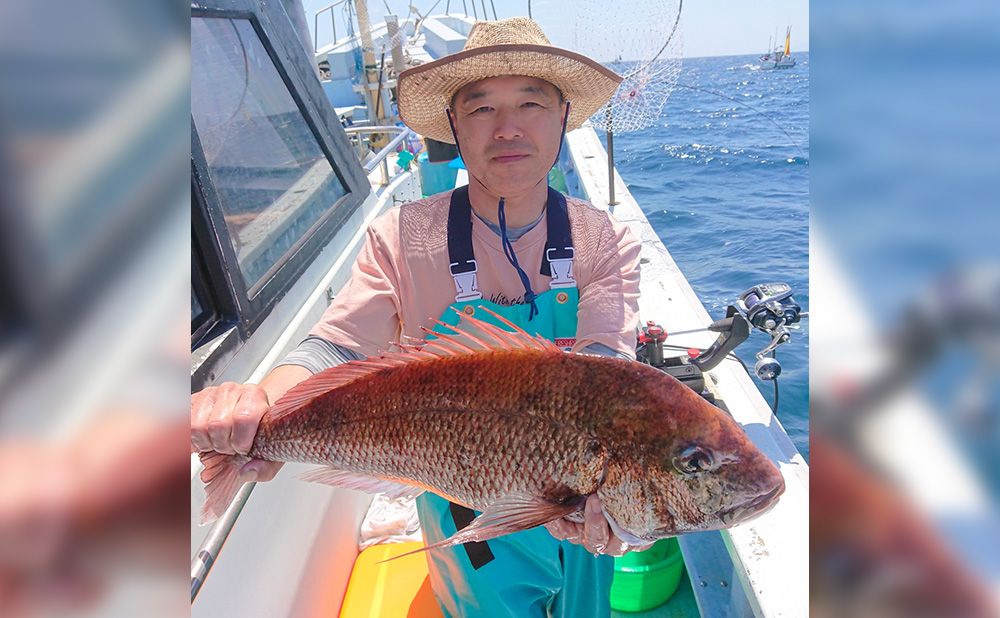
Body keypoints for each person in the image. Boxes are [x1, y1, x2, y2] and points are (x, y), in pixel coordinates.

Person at [191, 16, 643, 617]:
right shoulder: (402, 237)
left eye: (530, 102)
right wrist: (260, 408)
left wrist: (623, 511)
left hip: (584, 502)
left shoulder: (605, 241)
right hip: (461, 502)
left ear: (563, 116)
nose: (507, 127)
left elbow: (607, 375)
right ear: (453, 124)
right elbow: (336, 347)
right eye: (480, 108)